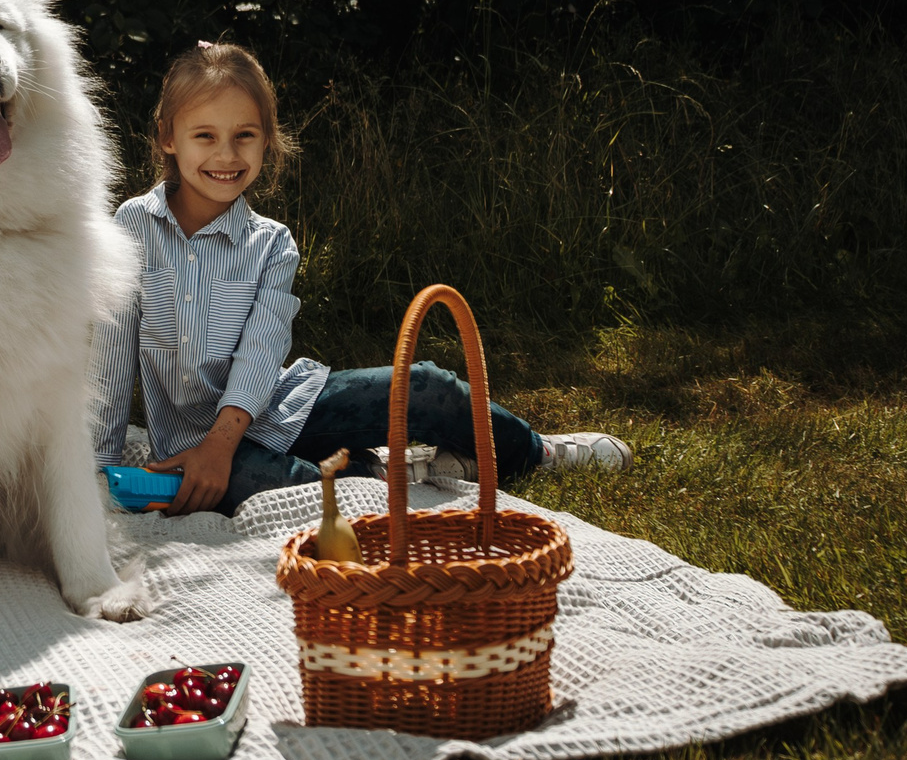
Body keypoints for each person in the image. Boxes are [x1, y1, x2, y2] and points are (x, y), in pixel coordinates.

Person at [90, 41, 632, 519]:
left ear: (267, 141)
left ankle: (533, 452)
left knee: (427, 384)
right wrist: (100, 468)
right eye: (204, 135)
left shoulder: (271, 243)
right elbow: (109, 361)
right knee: (261, 485)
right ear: (167, 137)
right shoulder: (131, 227)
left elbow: (261, 351)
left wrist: (225, 441)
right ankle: (390, 478)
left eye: (245, 135)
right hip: (194, 444)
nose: (227, 155)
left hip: (280, 407)